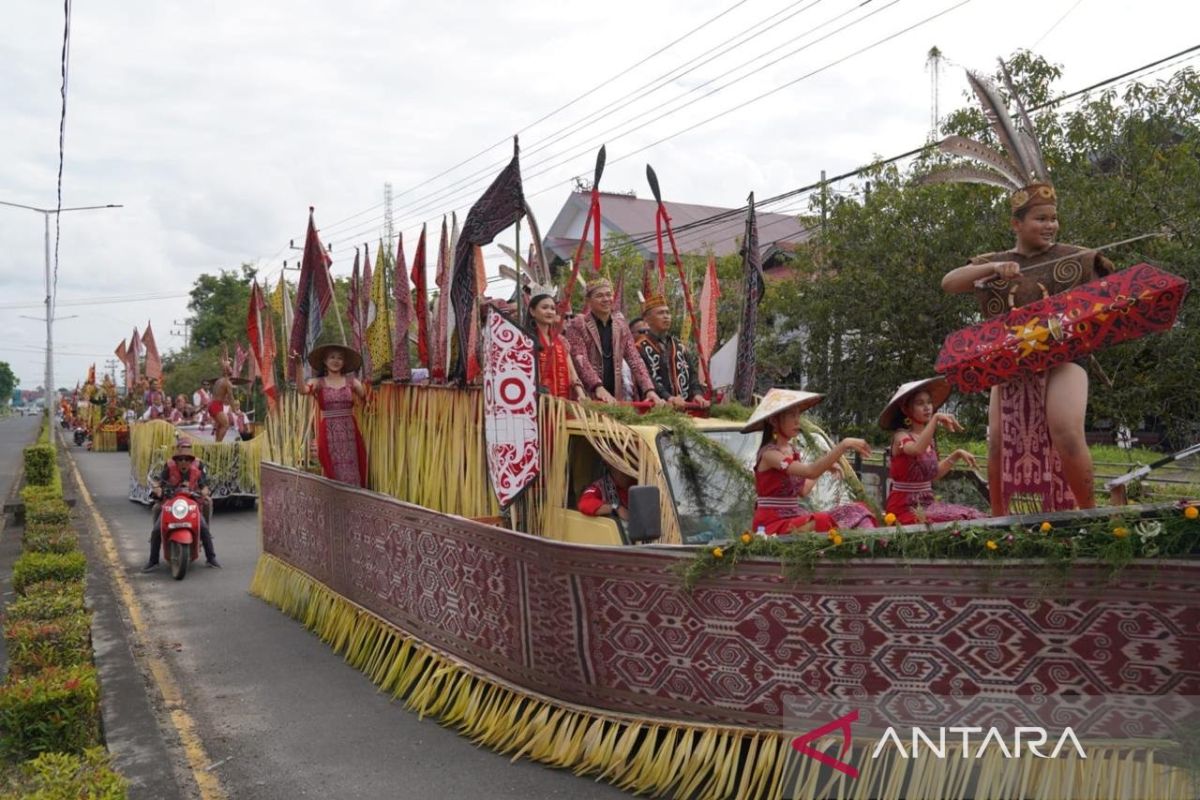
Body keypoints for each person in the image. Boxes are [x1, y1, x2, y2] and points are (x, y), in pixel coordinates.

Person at [941, 187, 1112, 514]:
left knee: (1066, 431)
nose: (1050, 225)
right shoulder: (995, 262)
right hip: (1010, 362)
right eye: (1040, 219)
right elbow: (950, 283)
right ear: (1016, 224)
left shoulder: (1076, 257)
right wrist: (994, 269)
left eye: (1054, 218)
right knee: (997, 444)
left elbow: (1105, 295)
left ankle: (1090, 514)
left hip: (1064, 358)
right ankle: (998, 522)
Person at [743, 388, 876, 534]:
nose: (797, 420)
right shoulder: (770, 454)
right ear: (774, 420)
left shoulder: (792, 451)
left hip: (794, 518)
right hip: (770, 524)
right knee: (821, 520)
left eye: (798, 415)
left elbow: (803, 489)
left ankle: (870, 549)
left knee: (858, 509)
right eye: (791, 415)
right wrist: (844, 445)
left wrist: (825, 467)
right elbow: (810, 472)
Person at [878, 377, 986, 525]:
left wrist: (957, 454)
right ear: (906, 409)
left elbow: (933, 475)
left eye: (929, 402)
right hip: (904, 508)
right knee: (959, 518)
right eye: (920, 403)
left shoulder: (930, 440)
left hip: (928, 505)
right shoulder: (900, 436)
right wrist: (935, 419)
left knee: (973, 515)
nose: (927, 407)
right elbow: (916, 449)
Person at [564, 278, 664, 406]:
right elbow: (580, 360)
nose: (606, 299)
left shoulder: (621, 325)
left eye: (608, 294)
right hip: (587, 395)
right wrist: (597, 386)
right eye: (599, 296)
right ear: (588, 301)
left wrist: (649, 390)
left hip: (616, 396)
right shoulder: (578, 324)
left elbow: (635, 359)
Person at [143, 439, 219, 570]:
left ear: (191, 461)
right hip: (170, 502)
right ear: (176, 460)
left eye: (187, 459)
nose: (183, 462)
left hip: (191, 504)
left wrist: (204, 493)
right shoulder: (169, 468)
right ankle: (153, 561)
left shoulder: (197, 470)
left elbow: (204, 486)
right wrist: (157, 489)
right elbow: (159, 482)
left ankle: (211, 558)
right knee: (156, 530)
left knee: (204, 529)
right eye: (180, 459)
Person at [298, 344, 368, 487]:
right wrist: (298, 366)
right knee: (331, 469)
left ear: (344, 362)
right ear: (324, 360)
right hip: (328, 432)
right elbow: (302, 390)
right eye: (332, 357)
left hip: (350, 432)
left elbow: (367, 398)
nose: (336, 360)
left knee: (356, 468)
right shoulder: (318, 382)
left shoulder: (352, 382)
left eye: (340, 358)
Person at [634, 294, 710, 410]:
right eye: (660, 313)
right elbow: (647, 378)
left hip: (684, 408)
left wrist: (697, 394)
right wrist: (669, 397)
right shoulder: (639, 347)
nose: (666, 317)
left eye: (667, 313)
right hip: (655, 410)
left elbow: (692, 375)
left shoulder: (679, 345)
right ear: (647, 319)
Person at [527, 288, 588, 401]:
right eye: (544, 308)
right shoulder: (525, 340)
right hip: (537, 403)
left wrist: (581, 394)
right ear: (532, 311)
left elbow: (572, 373)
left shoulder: (561, 340)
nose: (550, 312)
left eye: (553, 308)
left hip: (563, 403)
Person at [209, 372, 236, 443]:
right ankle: (218, 444)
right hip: (216, 405)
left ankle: (216, 444)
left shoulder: (218, 381)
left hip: (213, 404)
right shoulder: (227, 383)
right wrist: (234, 410)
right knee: (226, 425)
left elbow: (221, 395)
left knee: (220, 425)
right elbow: (231, 398)